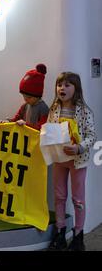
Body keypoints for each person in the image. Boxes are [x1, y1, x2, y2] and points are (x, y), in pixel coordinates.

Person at [47, 72, 96, 251]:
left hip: (78, 160)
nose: (62, 88)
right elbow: (49, 130)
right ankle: (60, 232)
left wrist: (79, 147)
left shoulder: (84, 111)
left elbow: (92, 135)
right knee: (59, 197)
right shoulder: (54, 108)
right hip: (59, 159)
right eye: (60, 84)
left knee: (78, 200)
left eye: (67, 85)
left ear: (76, 89)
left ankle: (78, 236)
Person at [0, 64, 49, 130]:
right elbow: (16, 119)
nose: (25, 100)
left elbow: (42, 128)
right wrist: (7, 122)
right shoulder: (25, 106)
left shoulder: (44, 108)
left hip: (35, 139)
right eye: (24, 97)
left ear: (38, 96)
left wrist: (26, 125)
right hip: (24, 138)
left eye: (29, 97)